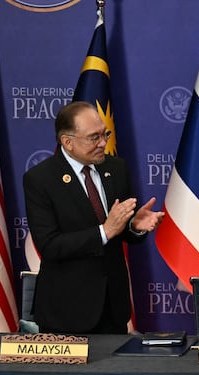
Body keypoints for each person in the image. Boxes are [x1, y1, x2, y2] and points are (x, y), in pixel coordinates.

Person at [23, 101, 165, 334]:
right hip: (66, 311)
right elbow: (50, 246)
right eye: (93, 137)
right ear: (67, 142)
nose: (102, 143)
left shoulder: (116, 168)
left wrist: (134, 226)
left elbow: (121, 233)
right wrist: (104, 231)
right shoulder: (40, 180)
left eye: (104, 134)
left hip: (113, 308)